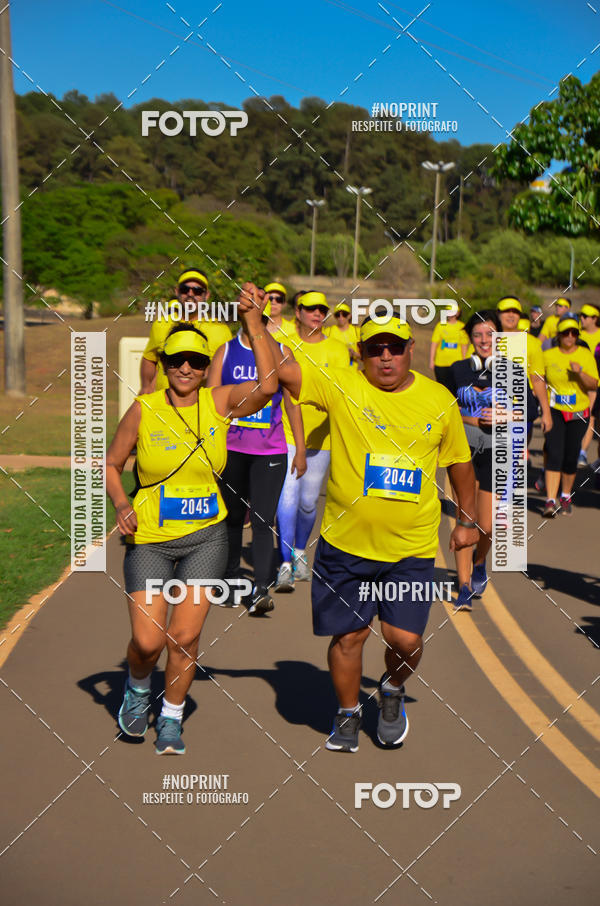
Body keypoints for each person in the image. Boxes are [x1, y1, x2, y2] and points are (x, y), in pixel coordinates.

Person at [269, 302, 477, 752]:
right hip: (346, 546)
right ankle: (346, 713)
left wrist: (467, 521)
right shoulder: (341, 386)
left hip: (410, 548)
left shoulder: (438, 401)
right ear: (360, 352)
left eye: (395, 348)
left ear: (411, 350)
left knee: (405, 640)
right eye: (375, 348)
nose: (386, 357)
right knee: (349, 636)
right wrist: (253, 322)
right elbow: (284, 373)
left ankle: (392, 689)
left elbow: (461, 464)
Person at [106, 286, 277, 755]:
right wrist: (122, 505)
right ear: (165, 364)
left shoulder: (219, 403)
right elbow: (111, 464)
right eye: (177, 359)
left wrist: (256, 325)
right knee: (146, 641)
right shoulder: (144, 409)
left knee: (183, 636)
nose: (186, 367)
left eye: (196, 361)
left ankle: (171, 718)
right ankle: (138, 688)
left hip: (205, 539)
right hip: (151, 541)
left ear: (206, 368)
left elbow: (268, 386)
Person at [206, 310, 306, 615]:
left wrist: (300, 448)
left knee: (264, 521)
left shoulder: (281, 352)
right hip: (231, 450)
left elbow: (292, 401)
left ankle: (261, 590)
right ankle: (230, 580)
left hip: (270, 452)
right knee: (232, 519)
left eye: (260, 319)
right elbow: (208, 399)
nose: (254, 324)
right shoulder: (225, 351)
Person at [274, 291, 350, 591]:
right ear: (298, 312)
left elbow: (344, 391)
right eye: (310, 309)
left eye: (322, 309)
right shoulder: (285, 344)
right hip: (287, 434)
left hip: (323, 437)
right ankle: (284, 563)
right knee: (288, 499)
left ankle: (299, 551)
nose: (317, 313)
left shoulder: (338, 349)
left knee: (307, 503)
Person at [448, 311, 507, 609]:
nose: (485, 341)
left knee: (487, 525)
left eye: (490, 334)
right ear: (470, 338)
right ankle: (464, 585)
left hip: (497, 451)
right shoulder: (457, 370)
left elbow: (531, 411)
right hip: (464, 451)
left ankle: (480, 561)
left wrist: (506, 415)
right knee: (465, 519)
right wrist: (471, 418)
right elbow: (444, 409)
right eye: (478, 335)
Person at [541, 315, 599, 516]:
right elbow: (538, 380)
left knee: (570, 456)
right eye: (566, 333)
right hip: (555, 411)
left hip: (578, 413)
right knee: (554, 453)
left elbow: (594, 384)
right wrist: (543, 409)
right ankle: (550, 500)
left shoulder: (585, 355)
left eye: (574, 333)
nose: (570, 336)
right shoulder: (548, 355)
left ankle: (565, 495)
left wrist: (580, 373)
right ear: (558, 335)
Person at [140, 269, 232, 394]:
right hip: (162, 405)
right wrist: (146, 388)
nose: (190, 294)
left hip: (201, 405)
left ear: (207, 295)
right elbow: (149, 358)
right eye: (185, 289)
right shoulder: (161, 324)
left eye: (197, 291)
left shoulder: (220, 330)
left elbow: (226, 371)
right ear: (177, 292)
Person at [496, 297, 552, 448]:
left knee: (515, 457)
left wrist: (546, 413)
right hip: (491, 407)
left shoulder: (532, 343)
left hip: (521, 408)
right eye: (506, 311)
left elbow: (538, 380)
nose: (511, 315)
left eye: (515, 312)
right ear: (498, 314)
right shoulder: (486, 340)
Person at [578, 304, 600, 464]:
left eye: (585, 316)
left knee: (591, 417)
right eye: (581, 315)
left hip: (596, 385)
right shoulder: (575, 334)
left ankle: (583, 452)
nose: (582, 318)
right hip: (576, 384)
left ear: (595, 318)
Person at [429, 305, 469, 391]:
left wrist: (465, 362)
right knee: (442, 389)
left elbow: (464, 346)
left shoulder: (462, 327)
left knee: (456, 389)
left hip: (456, 363)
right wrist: (432, 360)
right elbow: (434, 343)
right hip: (441, 363)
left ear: (458, 313)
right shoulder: (440, 325)